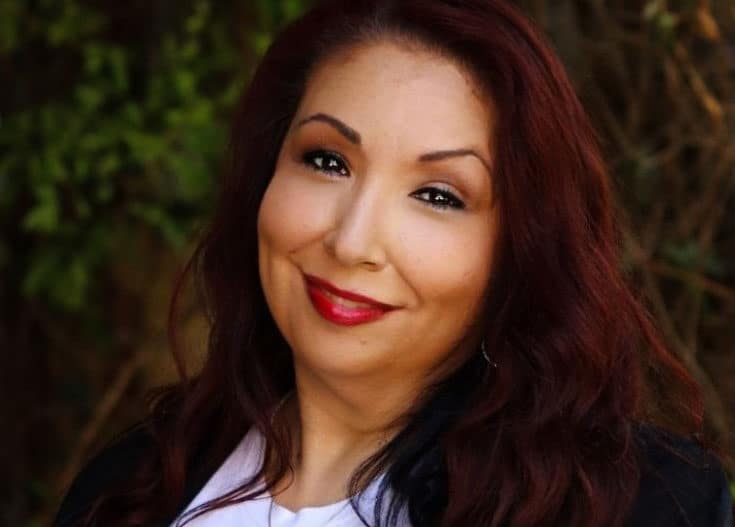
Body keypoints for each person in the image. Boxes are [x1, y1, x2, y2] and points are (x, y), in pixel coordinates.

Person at [53, 0, 733, 526]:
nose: (351, 242)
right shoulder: (127, 488)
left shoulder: (635, 504)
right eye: (327, 161)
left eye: (437, 196)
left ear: (518, 251)